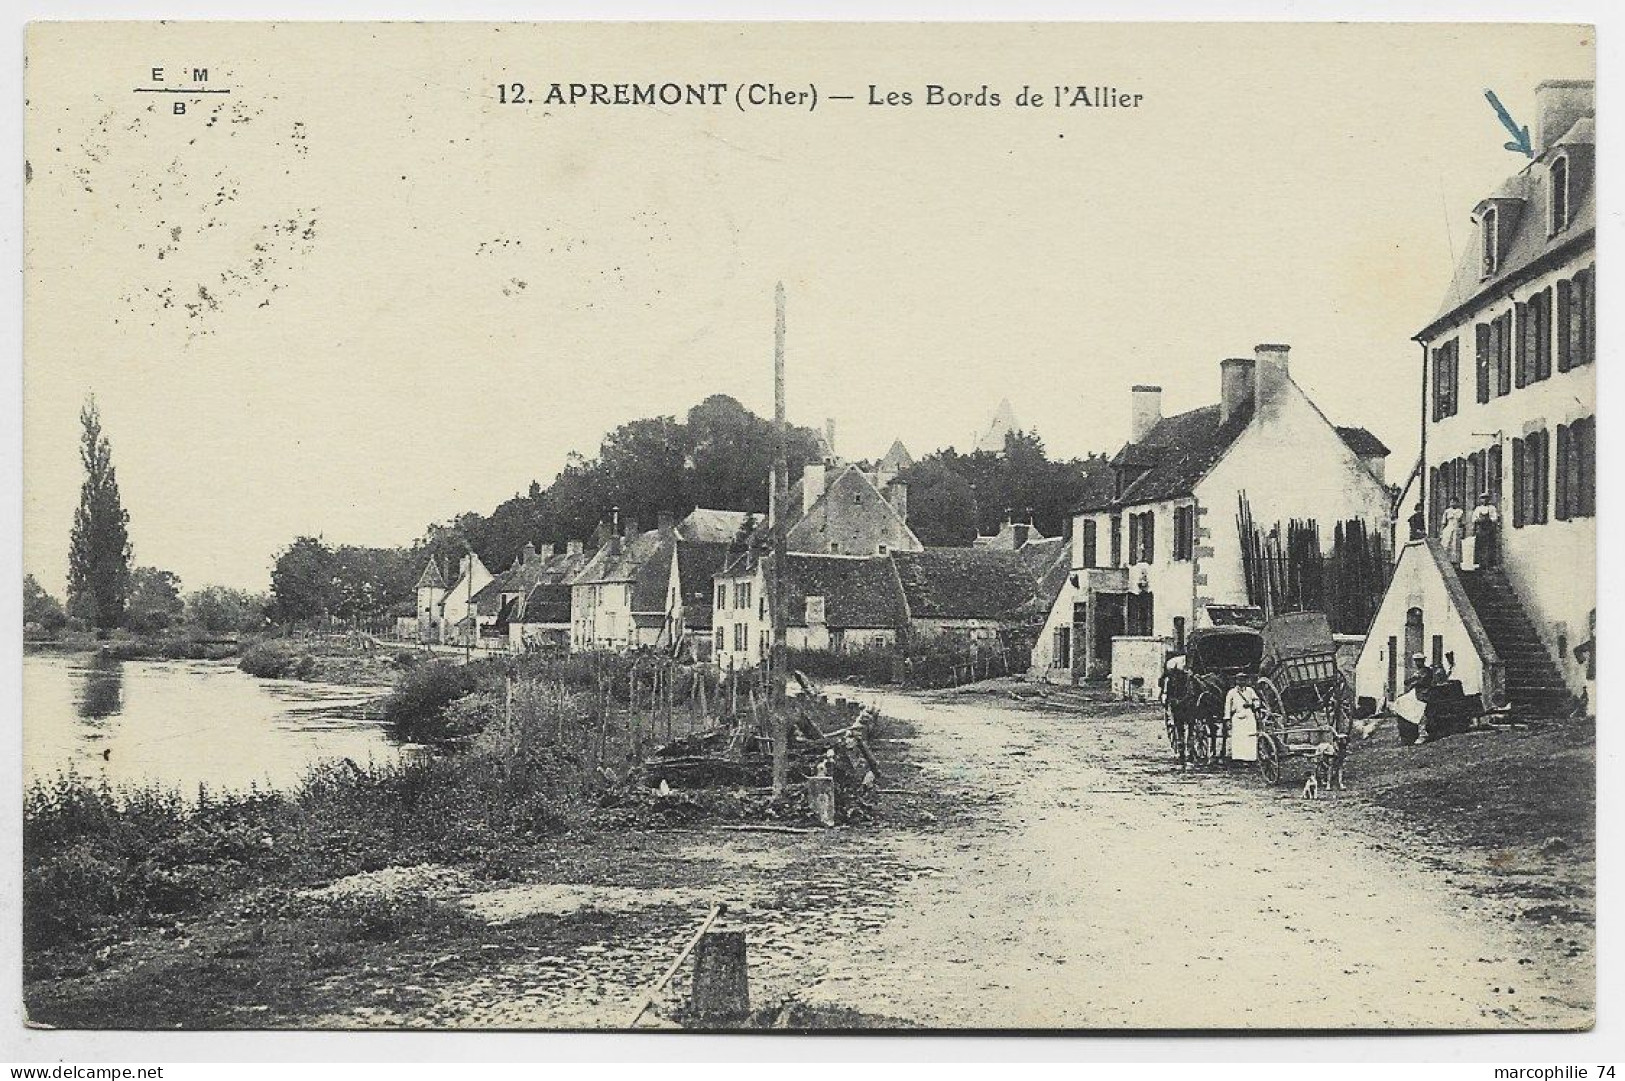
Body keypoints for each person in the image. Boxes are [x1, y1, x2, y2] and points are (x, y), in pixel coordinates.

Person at [1224, 673, 1263, 762]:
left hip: (1249, 715)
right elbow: (1227, 706)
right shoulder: (1231, 692)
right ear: (1236, 681)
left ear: (1246, 681)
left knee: (1250, 736)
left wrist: (1252, 704)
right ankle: (1239, 758)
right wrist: (1227, 719)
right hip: (1237, 716)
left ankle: (1250, 758)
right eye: (1239, 680)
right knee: (1239, 737)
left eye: (1243, 680)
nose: (1241, 682)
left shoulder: (1250, 690)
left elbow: (1256, 700)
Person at [1471, 492, 1500, 568]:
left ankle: (1489, 563)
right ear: (1480, 500)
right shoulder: (1478, 508)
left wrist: (1488, 520)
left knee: (1489, 546)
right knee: (1480, 546)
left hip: (1489, 529)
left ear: (1488, 499)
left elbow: (1495, 518)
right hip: (1481, 529)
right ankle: (1480, 563)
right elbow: (1473, 518)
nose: (1484, 500)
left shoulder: (1492, 508)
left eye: (1486, 498)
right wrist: (1478, 520)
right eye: (1482, 498)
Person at [1440, 497, 1465, 566]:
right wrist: (1441, 532)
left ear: (1457, 503)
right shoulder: (1447, 511)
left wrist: (1463, 533)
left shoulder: (1460, 511)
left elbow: (1463, 523)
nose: (1453, 503)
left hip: (1456, 530)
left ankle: (1456, 563)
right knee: (1447, 545)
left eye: (1455, 502)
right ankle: (1447, 562)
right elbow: (1443, 523)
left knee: (1456, 546)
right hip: (1448, 530)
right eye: (1451, 502)